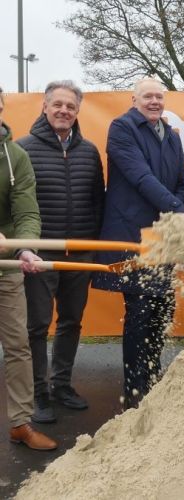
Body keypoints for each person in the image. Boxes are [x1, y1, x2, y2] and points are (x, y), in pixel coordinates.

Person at [92, 78, 184, 408]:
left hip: (163, 237)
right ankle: (135, 391)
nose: (154, 101)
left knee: (162, 310)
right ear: (134, 100)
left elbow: (183, 184)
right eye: (147, 96)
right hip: (132, 235)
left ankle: (152, 377)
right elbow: (140, 177)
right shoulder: (121, 129)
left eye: (159, 97)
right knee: (140, 310)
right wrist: (178, 210)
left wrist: (181, 210)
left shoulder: (171, 137)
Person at [17, 81, 105, 423]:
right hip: (40, 254)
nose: (64, 111)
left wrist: (93, 244)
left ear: (78, 110)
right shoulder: (23, 149)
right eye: (58, 105)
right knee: (37, 326)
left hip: (79, 252)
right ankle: (38, 393)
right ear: (45, 106)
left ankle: (61, 385)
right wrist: (26, 248)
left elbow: (98, 199)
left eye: (70, 106)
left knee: (71, 321)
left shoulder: (89, 151)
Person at [0, 87, 57, 450]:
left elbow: (27, 210)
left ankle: (20, 422)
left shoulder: (14, 155)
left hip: (5, 266)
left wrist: (25, 248)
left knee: (18, 344)